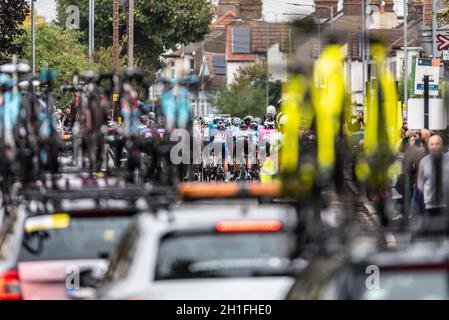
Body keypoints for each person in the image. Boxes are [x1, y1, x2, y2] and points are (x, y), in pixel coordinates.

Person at [415, 135, 449, 216]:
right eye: (432, 144)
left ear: (442, 145)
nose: (434, 146)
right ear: (428, 145)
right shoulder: (424, 161)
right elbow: (420, 183)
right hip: (430, 204)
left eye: (437, 144)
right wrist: (428, 193)